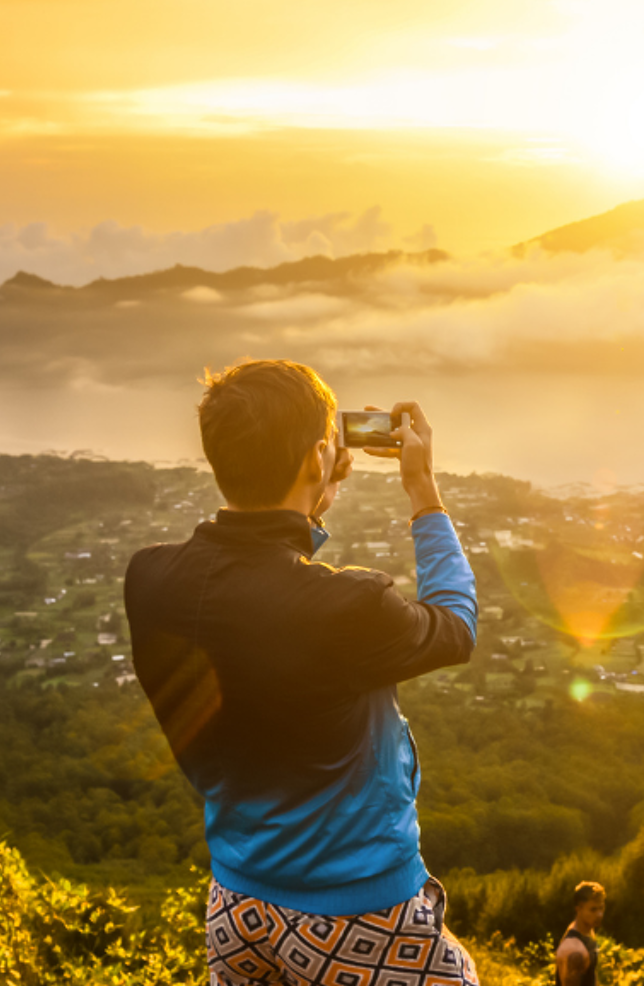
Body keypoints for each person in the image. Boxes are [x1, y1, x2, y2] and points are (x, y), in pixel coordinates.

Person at [125, 359, 479, 986]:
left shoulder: (150, 579)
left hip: (237, 906)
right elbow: (455, 626)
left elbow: (259, 592)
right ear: (322, 457)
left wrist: (310, 490)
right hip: (360, 913)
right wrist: (423, 491)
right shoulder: (349, 606)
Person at [556, 881, 606, 986]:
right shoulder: (574, 951)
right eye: (593, 910)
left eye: (601, 908)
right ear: (579, 909)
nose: (599, 914)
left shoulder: (587, 930)